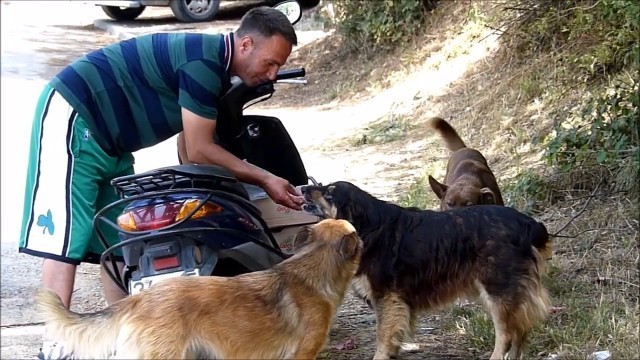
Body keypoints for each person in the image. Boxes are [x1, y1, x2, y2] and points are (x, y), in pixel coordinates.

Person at [18, 6, 303, 360]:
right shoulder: (203, 63)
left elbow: (188, 146)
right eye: (270, 63)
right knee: (67, 234)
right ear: (246, 44)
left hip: (112, 142)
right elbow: (200, 150)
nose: (272, 74)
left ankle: (123, 340)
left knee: (121, 238)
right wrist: (265, 177)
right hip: (75, 115)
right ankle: (55, 344)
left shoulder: (214, 67)